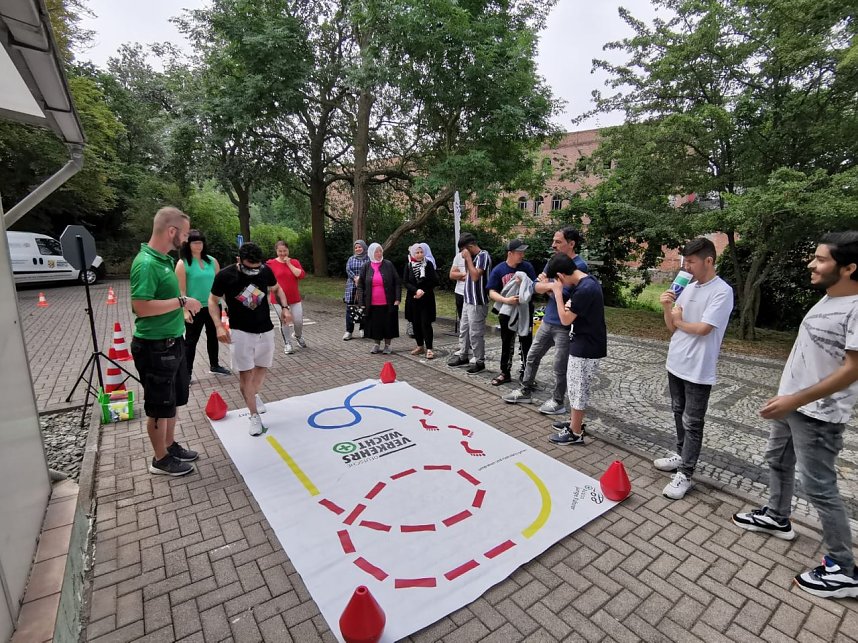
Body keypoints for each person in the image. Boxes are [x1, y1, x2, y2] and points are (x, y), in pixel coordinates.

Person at [732, 232, 858, 599]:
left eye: (821, 259)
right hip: (794, 404)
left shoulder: (855, 307)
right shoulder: (829, 298)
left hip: (819, 414)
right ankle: (777, 515)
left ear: (850, 268)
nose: (812, 264)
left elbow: (852, 369)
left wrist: (795, 399)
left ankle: (843, 569)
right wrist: (788, 397)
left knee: (819, 487)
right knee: (777, 460)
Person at [653, 237, 734, 500]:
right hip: (676, 361)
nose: (686, 267)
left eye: (690, 261)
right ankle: (680, 454)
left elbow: (704, 329)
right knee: (678, 412)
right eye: (684, 261)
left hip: (699, 368)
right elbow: (672, 327)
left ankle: (686, 474)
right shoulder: (687, 287)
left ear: (708, 261)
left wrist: (678, 319)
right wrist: (668, 308)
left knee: (693, 421)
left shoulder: (722, 291)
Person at [130, 207, 201, 476]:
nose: (185, 239)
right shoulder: (146, 263)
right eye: (183, 233)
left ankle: (170, 445)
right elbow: (141, 307)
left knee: (173, 400)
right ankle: (160, 459)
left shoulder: (163, 261)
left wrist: (181, 311)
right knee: (159, 406)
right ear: (171, 231)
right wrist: (182, 301)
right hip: (155, 346)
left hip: (173, 342)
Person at [209, 242, 292, 436]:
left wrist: (285, 308)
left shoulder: (265, 271)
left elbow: (277, 289)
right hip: (240, 332)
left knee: (262, 368)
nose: (254, 272)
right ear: (239, 260)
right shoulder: (225, 276)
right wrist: (218, 326)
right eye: (249, 268)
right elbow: (212, 301)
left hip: (265, 330)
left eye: (257, 267)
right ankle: (253, 414)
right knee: (246, 374)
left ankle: (252, 395)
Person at [503, 227, 588, 413]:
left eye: (558, 242)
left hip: (565, 325)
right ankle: (525, 390)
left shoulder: (579, 267)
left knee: (559, 366)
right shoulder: (553, 261)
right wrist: (551, 286)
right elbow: (534, 286)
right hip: (548, 320)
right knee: (532, 357)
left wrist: (547, 286)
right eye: (553, 241)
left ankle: (558, 401)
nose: (553, 245)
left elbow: (564, 294)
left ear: (571, 244)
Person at [541, 254, 607, 445]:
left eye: (557, 280)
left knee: (578, 389)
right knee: (575, 386)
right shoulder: (587, 282)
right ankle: (574, 422)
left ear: (561, 276)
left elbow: (565, 319)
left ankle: (575, 433)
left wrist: (558, 293)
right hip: (583, 342)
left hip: (586, 346)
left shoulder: (585, 289)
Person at [175, 230, 230, 381]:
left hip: (213, 305)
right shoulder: (183, 263)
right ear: (188, 244)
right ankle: (187, 373)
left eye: (200, 242)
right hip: (194, 307)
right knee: (191, 341)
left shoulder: (212, 261)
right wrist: (184, 310)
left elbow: (220, 284)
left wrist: (225, 304)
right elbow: (181, 290)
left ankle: (215, 365)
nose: (198, 245)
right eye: (195, 242)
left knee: (214, 336)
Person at [487, 239, 536, 385]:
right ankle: (505, 372)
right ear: (510, 253)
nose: (522, 255)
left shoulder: (527, 267)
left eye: (523, 252)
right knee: (506, 342)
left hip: (525, 311)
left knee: (526, 342)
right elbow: (491, 292)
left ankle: (526, 374)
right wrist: (506, 300)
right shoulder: (499, 270)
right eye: (519, 252)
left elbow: (535, 286)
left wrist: (526, 285)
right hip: (507, 312)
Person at [447, 233, 492, 374]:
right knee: (464, 329)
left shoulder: (483, 256)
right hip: (468, 300)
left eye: (463, 250)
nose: (462, 254)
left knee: (475, 333)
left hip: (477, 302)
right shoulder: (472, 258)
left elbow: (474, 276)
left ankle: (479, 361)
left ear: (470, 247)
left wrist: (467, 258)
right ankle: (463, 355)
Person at [358, 243, 401, 354]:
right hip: (372, 303)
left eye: (380, 251)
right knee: (375, 324)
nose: (379, 253)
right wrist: (361, 302)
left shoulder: (388, 264)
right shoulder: (366, 266)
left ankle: (387, 345)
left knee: (388, 324)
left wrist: (397, 298)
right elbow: (360, 285)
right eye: (376, 251)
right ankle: (376, 344)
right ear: (371, 253)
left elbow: (397, 282)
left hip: (388, 302)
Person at [266, 240, 307, 355]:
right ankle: (287, 343)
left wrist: (288, 264)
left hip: (294, 298)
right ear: (276, 251)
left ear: (288, 250)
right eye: (280, 251)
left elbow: (301, 275)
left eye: (285, 251)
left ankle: (297, 335)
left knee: (298, 321)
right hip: (278, 299)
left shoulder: (294, 262)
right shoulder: (271, 263)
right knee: (284, 321)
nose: (283, 253)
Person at [403, 243, 439, 359]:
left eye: (421, 252)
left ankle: (429, 348)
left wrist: (422, 290)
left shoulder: (428, 264)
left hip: (426, 299)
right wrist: (416, 290)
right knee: (416, 323)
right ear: (413, 253)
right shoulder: (409, 265)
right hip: (413, 299)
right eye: (417, 252)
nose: (419, 255)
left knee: (426, 323)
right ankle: (420, 346)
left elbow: (434, 281)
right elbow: (405, 282)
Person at [344, 240, 369, 340]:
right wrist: (355, 278)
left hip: (364, 286)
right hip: (352, 286)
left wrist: (361, 279)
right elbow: (348, 269)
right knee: (350, 308)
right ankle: (349, 331)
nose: (358, 249)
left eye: (360, 247)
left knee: (363, 307)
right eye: (356, 247)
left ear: (364, 247)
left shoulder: (368, 259)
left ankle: (363, 329)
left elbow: (369, 270)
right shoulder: (351, 258)